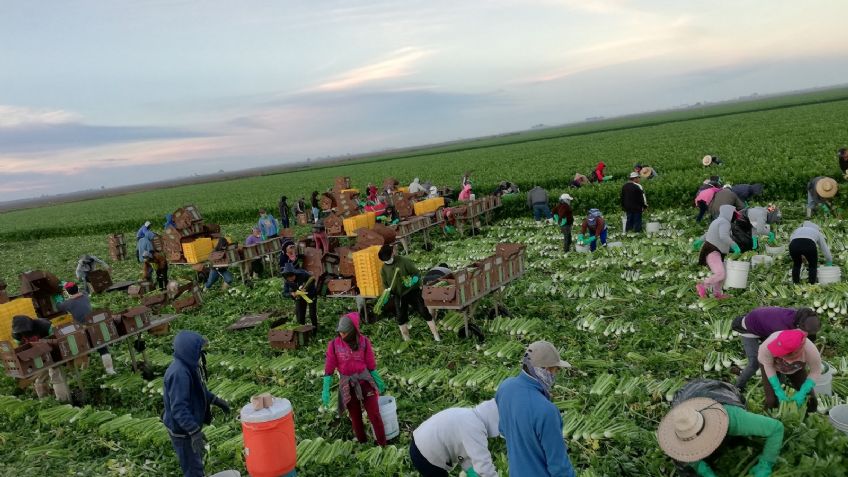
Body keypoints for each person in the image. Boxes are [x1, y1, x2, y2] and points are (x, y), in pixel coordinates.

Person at [658, 379, 783, 477]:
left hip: (718, 390)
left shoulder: (734, 418)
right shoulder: (680, 427)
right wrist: (704, 471)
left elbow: (776, 428)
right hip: (685, 398)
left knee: (734, 439)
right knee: (686, 469)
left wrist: (766, 464)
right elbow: (685, 455)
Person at [495, 341, 576, 477]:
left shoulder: (505, 387)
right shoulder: (547, 411)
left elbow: (503, 430)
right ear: (545, 370)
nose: (555, 374)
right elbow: (559, 467)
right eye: (556, 369)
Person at [163, 331, 231, 477]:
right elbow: (179, 409)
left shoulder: (189, 366)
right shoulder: (179, 374)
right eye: (198, 350)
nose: (201, 353)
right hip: (182, 432)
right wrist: (194, 432)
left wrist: (215, 400)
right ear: (189, 351)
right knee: (192, 468)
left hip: (187, 427)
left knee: (195, 462)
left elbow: (199, 390)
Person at [322, 312, 387, 445]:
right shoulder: (334, 345)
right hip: (348, 384)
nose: (341, 334)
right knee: (355, 416)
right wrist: (326, 387)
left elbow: (370, 363)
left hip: (365, 381)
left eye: (344, 332)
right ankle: (362, 443)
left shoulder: (364, 342)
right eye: (340, 332)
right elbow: (329, 366)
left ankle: (383, 444)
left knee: (374, 414)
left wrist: (378, 380)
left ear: (352, 331)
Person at [732, 307, 820, 391]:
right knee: (755, 362)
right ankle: (737, 387)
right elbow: (776, 352)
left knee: (780, 360)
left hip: (763, 323)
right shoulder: (781, 327)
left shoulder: (800, 317)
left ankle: (781, 382)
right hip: (749, 328)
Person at [410, 399, 500, 477]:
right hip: (427, 454)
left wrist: (471, 472)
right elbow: (483, 464)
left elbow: (462, 456)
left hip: (418, 447)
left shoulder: (468, 416)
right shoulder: (475, 427)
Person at [378, 244, 441, 342]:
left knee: (424, 311)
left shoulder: (403, 261)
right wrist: (386, 293)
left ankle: (436, 336)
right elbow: (385, 283)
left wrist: (414, 280)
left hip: (412, 291)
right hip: (398, 295)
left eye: (388, 258)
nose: (387, 261)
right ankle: (407, 339)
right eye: (385, 260)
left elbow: (416, 272)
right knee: (400, 317)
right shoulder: (383, 269)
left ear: (392, 253)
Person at [58, 282, 116, 375]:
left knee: (83, 347)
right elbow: (85, 291)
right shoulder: (85, 296)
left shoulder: (67, 304)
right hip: (94, 325)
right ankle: (110, 370)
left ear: (67, 292)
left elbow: (58, 307)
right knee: (102, 347)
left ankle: (83, 369)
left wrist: (58, 299)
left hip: (82, 330)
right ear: (77, 288)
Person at [759, 329, 820, 412]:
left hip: (797, 368)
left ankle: (808, 416)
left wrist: (804, 390)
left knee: (810, 399)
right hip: (772, 367)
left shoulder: (811, 351)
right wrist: (777, 389)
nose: (787, 362)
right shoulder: (766, 347)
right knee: (771, 400)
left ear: (797, 352)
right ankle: (770, 417)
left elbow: (815, 371)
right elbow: (768, 366)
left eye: (789, 358)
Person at [12, 315, 70, 402]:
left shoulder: (44, 325)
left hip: (52, 349)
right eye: (21, 332)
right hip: (35, 354)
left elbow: (56, 339)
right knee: (40, 378)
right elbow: (22, 348)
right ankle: (44, 401)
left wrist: (48, 346)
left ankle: (63, 400)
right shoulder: (16, 335)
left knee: (56, 374)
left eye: (26, 331)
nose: (24, 333)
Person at [693, 205, 740, 299]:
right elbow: (724, 236)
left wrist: (699, 240)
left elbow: (708, 233)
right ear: (729, 213)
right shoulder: (724, 222)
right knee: (720, 274)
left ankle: (717, 294)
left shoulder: (717, 221)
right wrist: (734, 246)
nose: (735, 216)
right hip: (713, 251)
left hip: (713, 250)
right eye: (734, 214)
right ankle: (703, 285)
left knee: (723, 274)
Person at [282, 263, 318, 331]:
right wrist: (291, 294)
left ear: (295, 274)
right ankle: (302, 332)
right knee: (300, 315)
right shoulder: (287, 281)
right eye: (289, 278)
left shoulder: (303, 274)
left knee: (312, 314)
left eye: (292, 277)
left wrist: (306, 288)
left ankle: (315, 331)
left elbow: (312, 279)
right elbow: (284, 293)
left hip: (310, 294)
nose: (291, 279)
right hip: (299, 296)